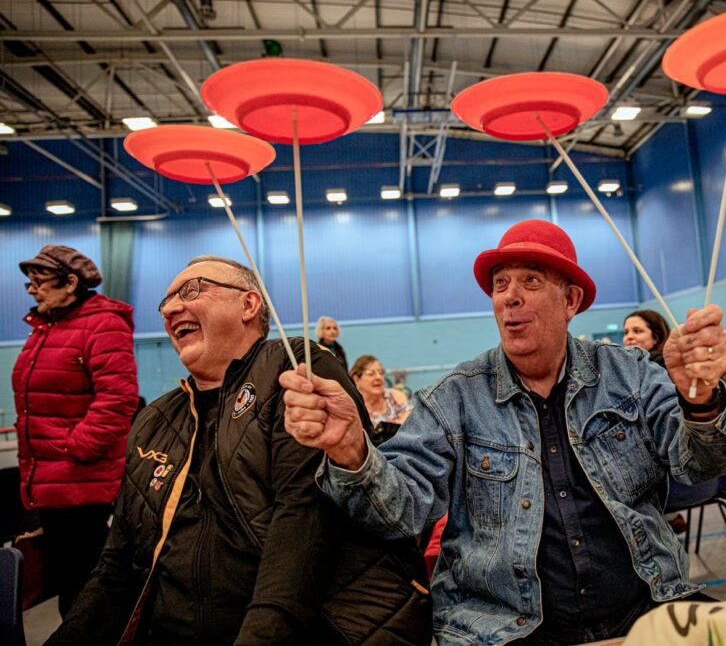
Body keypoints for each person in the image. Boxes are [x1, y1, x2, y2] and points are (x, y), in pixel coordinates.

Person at [282, 219, 726, 645]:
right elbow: (398, 514)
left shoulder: (631, 374)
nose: (509, 296)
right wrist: (351, 450)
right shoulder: (454, 399)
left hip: (647, 609)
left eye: (531, 281)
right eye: (500, 284)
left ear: (571, 301)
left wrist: (700, 399)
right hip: (503, 631)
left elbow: (710, 462)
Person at [46, 256, 431, 646]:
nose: (171, 309)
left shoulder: (294, 369)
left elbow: (301, 527)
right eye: (165, 302)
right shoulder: (153, 420)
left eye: (191, 290)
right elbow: (115, 569)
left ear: (248, 304)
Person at [13, 245, 138, 617]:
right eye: (29, 283)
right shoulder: (46, 327)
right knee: (71, 581)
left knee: (85, 586)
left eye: (40, 282)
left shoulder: (103, 324)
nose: (33, 290)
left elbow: (118, 398)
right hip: (49, 478)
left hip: (78, 477)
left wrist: (75, 449)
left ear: (70, 283)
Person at [623, 309, 687, 535]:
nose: (629, 337)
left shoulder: (662, 370)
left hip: (674, 481)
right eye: (626, 332)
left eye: (637, 331)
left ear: (656, 337)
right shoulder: (626, 371)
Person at [350, 354, 412, 446]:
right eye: (371, 374)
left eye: (381, 372)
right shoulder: (353, 405)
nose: (378, 377)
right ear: (356, 379)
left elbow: (411, 423)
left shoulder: (395, 396)